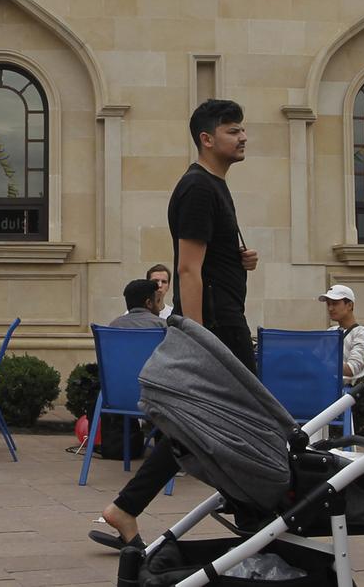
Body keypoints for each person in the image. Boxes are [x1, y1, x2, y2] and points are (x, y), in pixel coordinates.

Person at [93, 99, 258, 551]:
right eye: (232, 130)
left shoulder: (214, 186)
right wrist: (202, 339)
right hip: (217, 326)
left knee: (199, 423)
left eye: (242, 129)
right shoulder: (199, 188)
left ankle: (126, 508)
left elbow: (208, 259)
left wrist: (239, 260)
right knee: (249, 416)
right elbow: (187, 269)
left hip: (223, 319)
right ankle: (258, 515)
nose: (243, 137)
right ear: (207, 139)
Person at [318, 285, 364, 383]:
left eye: (335, 303)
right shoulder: (330, 332)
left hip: (344, 390)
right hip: (322, 386)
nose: (330, 308)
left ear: (349, 305)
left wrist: (320, 364)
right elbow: (315, 357)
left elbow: (352, 369)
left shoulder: (362, 332)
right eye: (328, 304)